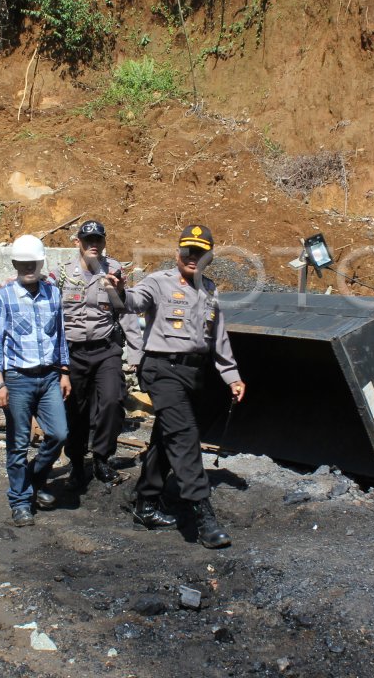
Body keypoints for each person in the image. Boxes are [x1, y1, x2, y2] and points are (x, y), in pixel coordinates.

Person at [122, 224, 246, 549]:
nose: (193, 258)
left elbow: (218, 337)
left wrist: (232, 376)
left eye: (200, 253)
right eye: (188, 251)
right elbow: (132, 302)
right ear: (178, 253)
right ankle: (204, 517)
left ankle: (146, 504)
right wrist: (116, 290)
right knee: (185, 436)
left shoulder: (209, 289)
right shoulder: (157, 282)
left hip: (192, 373)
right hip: (161, 369)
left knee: (167, 437)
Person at [0, 234, 71, 526]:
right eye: (22, 263)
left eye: (32, 263)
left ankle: (34, 479)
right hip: (18, 378)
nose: (27, 268)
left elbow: (59, 336)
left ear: (40, 262)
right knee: (18, 443)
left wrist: (64, 371)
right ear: (14, 264)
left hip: (48, 377)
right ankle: (20, 501)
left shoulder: (53, 293)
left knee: (59, 433)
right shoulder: (3, 296)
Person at [58, 220, 126, 490]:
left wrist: (136, 354)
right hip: (73, 351)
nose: (93, 245)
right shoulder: (61, 274)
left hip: (105, 347)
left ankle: (101, 457)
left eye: (98, 240)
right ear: (78, 243)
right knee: (75, 408)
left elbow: (124, 308)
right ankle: (76, 461)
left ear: (105, 242)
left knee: (112, 400)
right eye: (88, 241)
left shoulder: (116, 269)